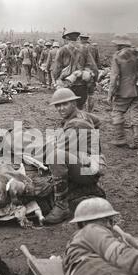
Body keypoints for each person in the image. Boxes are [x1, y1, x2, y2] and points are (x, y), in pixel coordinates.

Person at [45, 88, 106, 225]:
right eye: (58, 105)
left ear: (73, 103)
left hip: (89, 170)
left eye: (64, 104)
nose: (60, 108)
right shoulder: (82, 115)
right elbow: (98, 121)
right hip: (91, 162)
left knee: (55, 157)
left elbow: (57, 151)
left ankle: (61, 206)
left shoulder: (76, 124)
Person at [107, 35, 138, 149]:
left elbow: (114, 77)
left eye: (117, 45)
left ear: (120, 45)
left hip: (124, 89)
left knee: (117, 111)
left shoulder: (117, 56)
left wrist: (110, 94)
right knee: (136, 113)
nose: (115, 47)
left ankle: (120, 138)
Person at [53, 31, 98, 110]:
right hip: (81, 83)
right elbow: (93, 66)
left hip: (66, 83)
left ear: (67, 38)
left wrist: (57, 79)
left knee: (67, 105)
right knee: (80, 105)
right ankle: (80, 119)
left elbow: (57, 67)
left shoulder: (62, 50)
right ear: (77, 38)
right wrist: (94, 80)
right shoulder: (85, 49)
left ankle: (71, 120)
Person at [79, 34, 99, 112]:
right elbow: (97, 61)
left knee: (82, 93)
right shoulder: (94, 48)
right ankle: (90, 112)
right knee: (91, 94)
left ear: (80, 38)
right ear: (87, 38)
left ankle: (82, 112)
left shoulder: (78, 48)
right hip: (92, 72)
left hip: (82, 73)